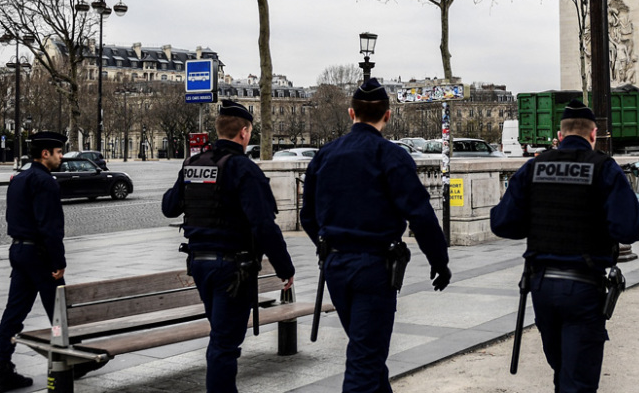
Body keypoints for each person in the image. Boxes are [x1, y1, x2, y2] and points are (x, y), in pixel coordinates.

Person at [301, 78, 450, 393]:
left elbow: (307, 217)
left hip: (335, 266)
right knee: (365, 362)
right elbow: (421, 215)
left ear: (351, 113)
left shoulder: (325, 155)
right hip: (374, 267)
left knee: (367, 353)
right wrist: (439, 261)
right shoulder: (390, 156)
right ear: (388, 115)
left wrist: (328, 245)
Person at [490, 100, 639, 393]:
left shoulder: (534, 167)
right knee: (577, 380)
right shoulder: (604, 169)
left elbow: (502, 224)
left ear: (560, 136)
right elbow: (629, 229)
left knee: (562, 370)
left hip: (541, 286)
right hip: (583, 286)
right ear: (593, 134)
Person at [162, 100, 294, 393]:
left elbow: (169, 207)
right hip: (232, 269)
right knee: (224, 344)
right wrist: (285, 267)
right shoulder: (243, 168)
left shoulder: (194, 164)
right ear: (244, 133)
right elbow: (263, 225)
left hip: (199, 263)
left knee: (221, 336)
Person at [0, 131, 68, 392]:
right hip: (40, 255)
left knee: (14, 312)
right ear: (45, 154)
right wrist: (58, 262)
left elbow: (11, 216)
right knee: (59, 311)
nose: (61, 157)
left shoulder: (19, 178)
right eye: (58, 152)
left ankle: (4, 367)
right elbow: (50, 227)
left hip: (18, 251)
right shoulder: (46, 182)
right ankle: (70, 360)